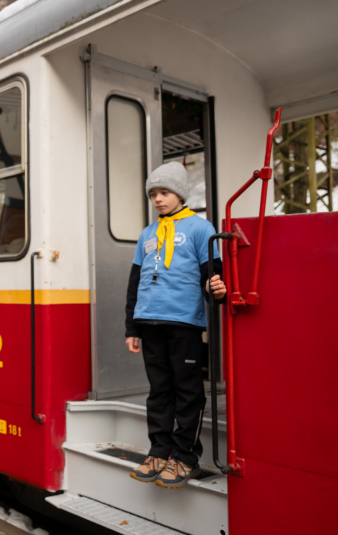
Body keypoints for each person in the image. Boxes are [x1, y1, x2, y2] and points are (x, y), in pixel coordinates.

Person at [124, 161, 226, 489]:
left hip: (183, 323)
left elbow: (213, 274)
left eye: (164, 192)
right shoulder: (147, 233)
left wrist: (219, 291)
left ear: (179, 194)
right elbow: (135, 282)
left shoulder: (200, 228)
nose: (157, 199)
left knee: (188, 391)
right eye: (153, 193)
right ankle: (160, 450)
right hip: (149, 321)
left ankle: (185, 457)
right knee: (159, 391)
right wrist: (132, 327)